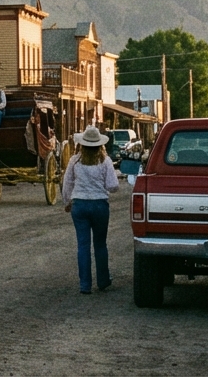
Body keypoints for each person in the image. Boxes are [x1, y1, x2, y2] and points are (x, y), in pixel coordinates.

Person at [62, 125, 120, 294]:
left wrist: (67, 202)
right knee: (100, 244)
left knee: (83, 245)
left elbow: (67, 183)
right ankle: (103, 280)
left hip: (79, 205)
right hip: (100, 205)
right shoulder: (105, 161)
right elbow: (113, 186)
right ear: (100, 145)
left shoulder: (75, 160)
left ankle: (85, 285)